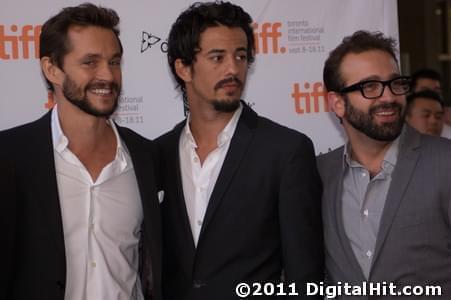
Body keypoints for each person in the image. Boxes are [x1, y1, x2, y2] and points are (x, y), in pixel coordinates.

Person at [155, 2, 323, 299]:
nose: (233, 69)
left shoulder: (286, 151)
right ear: (183, 67)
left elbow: (305, 276)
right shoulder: (157, 155)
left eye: (241, 56)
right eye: (217, 57)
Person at [0, 3, 161, 300]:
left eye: (114, 62)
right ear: (52, 69)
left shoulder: (147, 157)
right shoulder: (9, 157)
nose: (108, 76)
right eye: (90, 62)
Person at [320, 30, 451, 299]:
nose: (389, 97)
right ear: (338, 103)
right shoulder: (318, 175)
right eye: (369, 87)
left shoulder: (445, 162)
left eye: (396, 84)